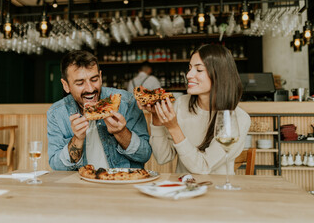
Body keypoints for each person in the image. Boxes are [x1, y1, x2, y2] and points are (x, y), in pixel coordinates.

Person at [138, 44, 251, 174]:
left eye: (199, 70)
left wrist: (174, 128)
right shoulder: (181, 104)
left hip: (218, 192)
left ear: (219, 74)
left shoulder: (238, 119)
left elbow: (203, 168)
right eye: (190, 68)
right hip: (184, 190)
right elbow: (163, 157)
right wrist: (157, 118)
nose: (189, 75)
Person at [47, 50, 152, 171]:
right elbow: (56, 166)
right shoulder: (56, 113)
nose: (90, 89)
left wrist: (121, 132)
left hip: (120, 184)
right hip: (81, 186)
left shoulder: (126, 102)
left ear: (101, 77)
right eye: (80, 83)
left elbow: (145, 155)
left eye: (94, 79)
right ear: (66, 85)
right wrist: (77, 139)